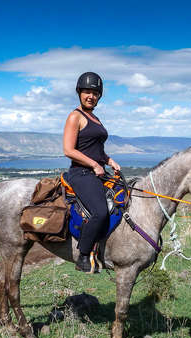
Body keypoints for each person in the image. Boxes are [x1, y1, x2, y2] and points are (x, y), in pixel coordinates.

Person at [63, 72, 121, 272]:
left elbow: (95, 149)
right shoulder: (75, 116)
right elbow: (69, 150)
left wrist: (108, 160)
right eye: (87, 92)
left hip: (97, 172)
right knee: (100, 211)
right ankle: (84, 256)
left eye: (95, 93)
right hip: (81, 174)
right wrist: (94, 165)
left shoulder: (94, 118)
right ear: (79, 93)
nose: (91, 96)